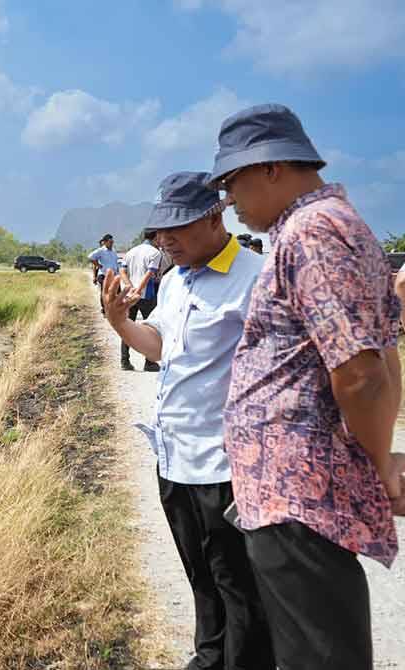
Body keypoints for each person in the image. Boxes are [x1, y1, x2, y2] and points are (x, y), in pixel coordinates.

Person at [210, 103, 405, 670]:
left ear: (270, 168)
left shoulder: (313, 230)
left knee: (319, 656)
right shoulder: (323, 227)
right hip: (289, 492)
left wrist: (376, 462)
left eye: (231, 182)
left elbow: (364, 373)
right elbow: (381, 354)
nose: (229, 201)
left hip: (297, 493)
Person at [102, 171, 274, 670]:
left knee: (239, 585)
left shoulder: (256, 278)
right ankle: (209, 657)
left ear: (215, 215)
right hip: (174, 458)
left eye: (178, 226)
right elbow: (159, 346)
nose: (165, 240)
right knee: (200, 575)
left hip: (226, 466)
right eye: (159, 230)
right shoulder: (175, 281)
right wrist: (119, 322)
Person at [118, 229, 168, 372]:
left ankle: (124, 360)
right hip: (146, 295)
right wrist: (139, 290)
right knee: (152, 329)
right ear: (156, 237)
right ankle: (150, 362)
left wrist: (130, 287)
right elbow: (150, 273)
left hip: (129, 295)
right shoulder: (155, 253)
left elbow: (122, 271)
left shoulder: (131, 252)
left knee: (127, 326)